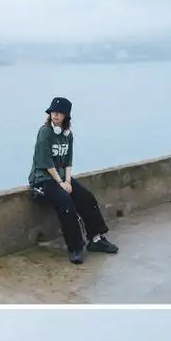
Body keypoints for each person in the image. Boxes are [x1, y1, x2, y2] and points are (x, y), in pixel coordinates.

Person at [28, 100, 119, 266]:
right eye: (52, 112)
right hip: (42, 180)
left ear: (65, 116)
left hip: (62, 178)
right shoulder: (45, 132)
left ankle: (96, 239)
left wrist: (68, 181)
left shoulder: (67, 134)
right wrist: (60, 183)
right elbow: (46, 162)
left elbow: (68, 161)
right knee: (65, 202)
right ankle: (75, 247)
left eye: (59, 112)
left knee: (86, 198)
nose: (55, 115)